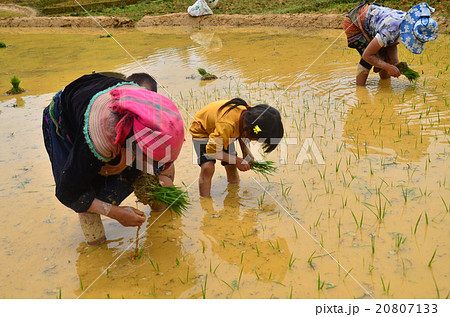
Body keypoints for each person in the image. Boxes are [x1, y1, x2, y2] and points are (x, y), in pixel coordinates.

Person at [42, 73, 184, 245]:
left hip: (101, 99)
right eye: (149, 158)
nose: (152, 165)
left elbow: (161, 159)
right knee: (86, 190)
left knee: (150, 172)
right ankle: (97, 248)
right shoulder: (100, 136)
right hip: (66, 117)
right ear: (132, 146)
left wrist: (154, 173)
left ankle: (163, 231)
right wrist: (115, 213)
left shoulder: (160, 117)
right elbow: (68, 192)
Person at [189, 98, 284, 197]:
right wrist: (237, 160)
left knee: (231, 165)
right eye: (257, 140)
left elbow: (242, 133)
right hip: (202, 130)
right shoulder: (227, 125)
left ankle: (233, 195)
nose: (254, 141)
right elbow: (211, 151)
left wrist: (246, 152)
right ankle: (205, 202)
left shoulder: (249, 120)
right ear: (250, 131)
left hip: (224, 132)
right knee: (207, 167)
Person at [343, 2, 438, 86]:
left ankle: (384, 84)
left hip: (376, 23)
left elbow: (392, 42)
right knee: (369, 59)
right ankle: (360, 90)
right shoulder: (390, 31)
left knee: (386, 57)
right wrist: (388, 67)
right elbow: (367, 55)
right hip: (354, 23)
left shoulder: (408, 23)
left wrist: (394, 63)